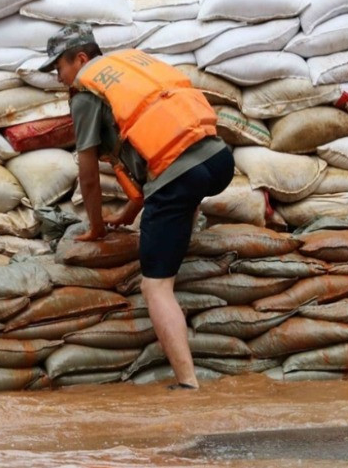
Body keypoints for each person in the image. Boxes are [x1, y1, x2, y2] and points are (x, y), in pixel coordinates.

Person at [40, 23, 235, 389]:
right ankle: (179, 240)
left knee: (155, 286)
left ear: (80, 59)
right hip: (219, 160)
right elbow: (149, 149)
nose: (57, 77)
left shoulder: (85, 93)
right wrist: (130, 214)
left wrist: (96, 228)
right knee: (178, 203)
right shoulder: (131, 65)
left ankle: (188, 383)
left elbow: (88, 176)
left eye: (58, 68)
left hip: (181, 177)